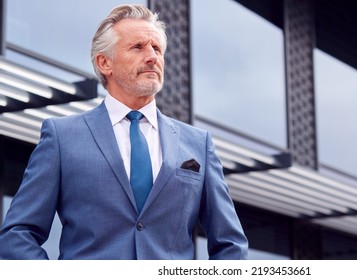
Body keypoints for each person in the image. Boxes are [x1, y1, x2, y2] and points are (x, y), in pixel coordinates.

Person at [0, 4, 248, 260]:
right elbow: (18, 234)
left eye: (157, 49)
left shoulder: (199, 144)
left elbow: (230, 244)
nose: (152, 56)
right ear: (104, 62)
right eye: (138, 47)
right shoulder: (61, 137)